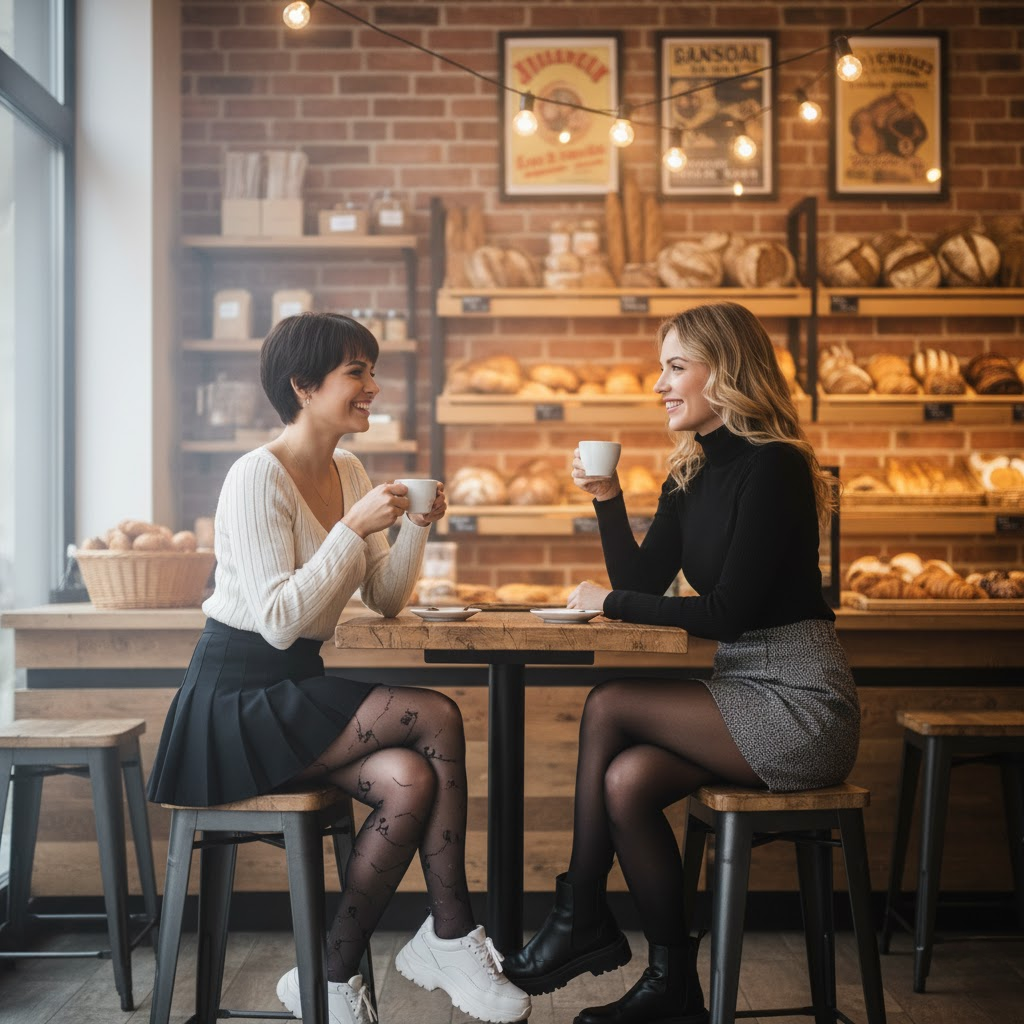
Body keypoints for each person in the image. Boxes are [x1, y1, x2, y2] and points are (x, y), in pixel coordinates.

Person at [147, 313, 530, 1024]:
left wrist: (412, 527)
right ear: (303, 384)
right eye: (357, 372)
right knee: (437, 714)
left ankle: (328, 975)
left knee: (411, 777)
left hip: (293, 692)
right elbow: (280, 618)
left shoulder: (349, 470)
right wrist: (351, 528)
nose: (373, 388)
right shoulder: (255, 476)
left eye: (370, 371)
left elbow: (384, 597)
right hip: (234, 703)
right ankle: (450, 935)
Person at [503, 301, 859, 1024]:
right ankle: (672, 984)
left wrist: (609, 601)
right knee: (627, 782)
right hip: (738, 690)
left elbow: (723, 612)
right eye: (661, 368)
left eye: (674, 367)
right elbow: (640, 584)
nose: (659, 384)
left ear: (723, 371)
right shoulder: (688, 474)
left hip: (799, 701)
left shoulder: (777, 467)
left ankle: (579, 912)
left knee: (610, 701)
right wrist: (607, 500)